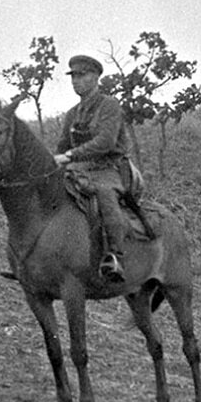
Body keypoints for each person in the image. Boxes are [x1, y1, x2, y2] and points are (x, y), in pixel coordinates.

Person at [54, 55, 136, 282]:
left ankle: (115, 257)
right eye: (73, 76)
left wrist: (70, 155)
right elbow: (62, 146)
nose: (75, 81)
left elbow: (106, 142)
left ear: (96, 77)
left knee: (105, 196)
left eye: (82, 75)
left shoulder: (109, 105)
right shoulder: (72, 113)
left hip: (107, 168)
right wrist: (52, 161)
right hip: (77, 169)